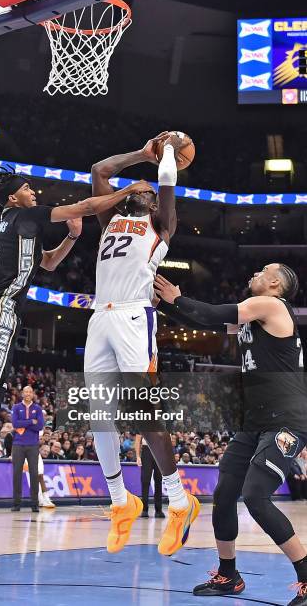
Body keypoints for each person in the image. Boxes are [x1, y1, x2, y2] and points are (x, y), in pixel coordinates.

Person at [0, 168, 150, 544]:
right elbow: (86, 204)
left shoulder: (16, 226)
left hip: (2, 315)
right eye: (26, 188)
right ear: (12, 199)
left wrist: (72, 237)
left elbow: (49, 263)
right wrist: (127, 192)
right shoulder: (24, 216)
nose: (33, 192)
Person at [154, 264, 307, 606]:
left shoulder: (271, 306)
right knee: (224, 494)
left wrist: (177, 298)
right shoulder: (253, 317)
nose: (253, 273)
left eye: (262, 270)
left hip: (286, 420)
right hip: (253, 420)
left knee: (255, 495)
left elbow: (211, 313)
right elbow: (200, 321)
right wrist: (161, 303)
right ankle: (228, 575)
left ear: (274, 283)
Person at [84, 132, 200, 555]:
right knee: (97, 414)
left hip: (134, 314)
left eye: (152, 192)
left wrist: (167, 152)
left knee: (141, 411)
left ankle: (179, 501)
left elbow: (166, 181)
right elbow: (100, 170)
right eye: (143, 189)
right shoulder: (109, 218)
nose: (146, 191)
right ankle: (121, 503)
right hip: (100, 316)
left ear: (155, 205)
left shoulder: (160, 224)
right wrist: (141, 154)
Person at [11, 385, 44, 512]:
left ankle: (34, 504)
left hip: (33, 445)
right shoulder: (16, 407)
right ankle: (16, 503)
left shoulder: (38, 408)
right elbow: (15, 423)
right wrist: (31, 421)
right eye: (26, 391)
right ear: (22, 393)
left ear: (33, 394)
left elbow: (40, 426)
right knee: (17, 474)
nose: (28, 393)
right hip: (18, 444)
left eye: (30, 391)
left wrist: (24, 422)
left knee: (34, 474)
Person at [135, 434, 164, 518]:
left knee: (158, 480)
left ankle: (158, 510)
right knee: (145, 480)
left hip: (159, 450)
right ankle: (144, 509)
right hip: (147, 450)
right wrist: (137, 456)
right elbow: (137, 440)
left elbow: (167, 440)